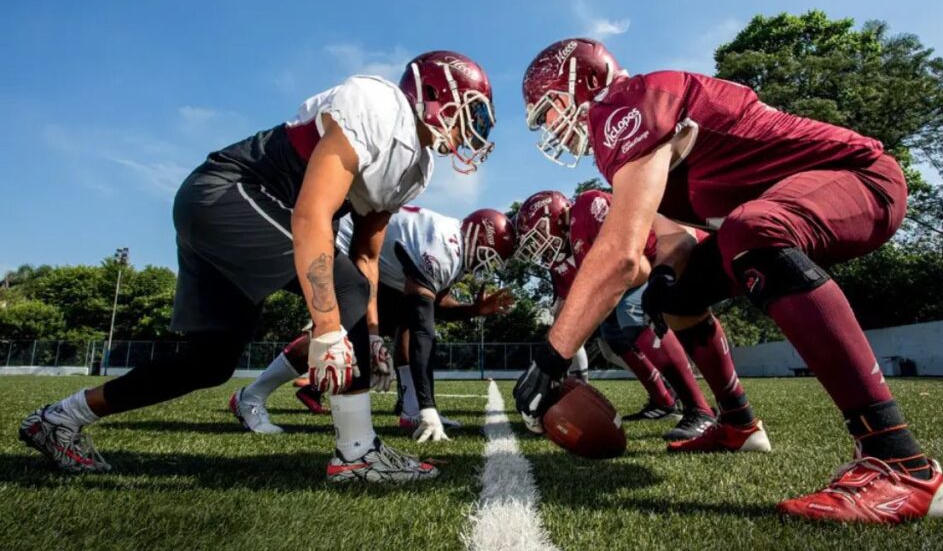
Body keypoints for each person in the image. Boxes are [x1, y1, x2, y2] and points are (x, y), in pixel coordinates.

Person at [514, 37, 943, 523]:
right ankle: (739, 424)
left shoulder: (624, 103)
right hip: (784, 205)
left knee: (752, 229)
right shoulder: (632, 132)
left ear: (588, 82)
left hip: (858, 176)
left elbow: (618, 254)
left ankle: (900, 460)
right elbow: (676, 241)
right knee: (682, 296)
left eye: (550, 109)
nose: (550, 127)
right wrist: (663, 278)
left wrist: (551, 359)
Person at [20, 51, 496, 484]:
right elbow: (311, 214)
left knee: (209, 362)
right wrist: (330, 328)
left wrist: (370, 335)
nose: (475, 127)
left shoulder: (416, 169)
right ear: (434, 93)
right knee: (343, 291)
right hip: (228, 192)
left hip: (236, 212)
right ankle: (356, 453)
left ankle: (61, 418)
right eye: (473, 111)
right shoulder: (378, 103)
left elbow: (367, 256)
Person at [230, 206, 516, 442]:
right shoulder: (443, 249)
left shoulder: (453, 243)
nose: (486, 267)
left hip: (369, 262)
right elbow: (423, 329)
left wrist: (475, 309)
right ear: (478, 238)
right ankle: (250, 396)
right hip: (337, 245)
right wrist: (431, 407)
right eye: (487, 257)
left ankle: (412, 409)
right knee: (341, 331)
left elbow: (430, 306)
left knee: (403, 316)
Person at [514, 189, 718, 440]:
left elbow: (636, 267)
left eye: (538, 235)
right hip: (636, 276)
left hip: (670, 259)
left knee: (630, 312)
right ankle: (663, 402)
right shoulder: (561, 263)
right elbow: (567, 315)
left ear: (558, 216)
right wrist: (546, 366)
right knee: (612, 335)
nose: (538, 246)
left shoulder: (589, 206)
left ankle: (700, 409)